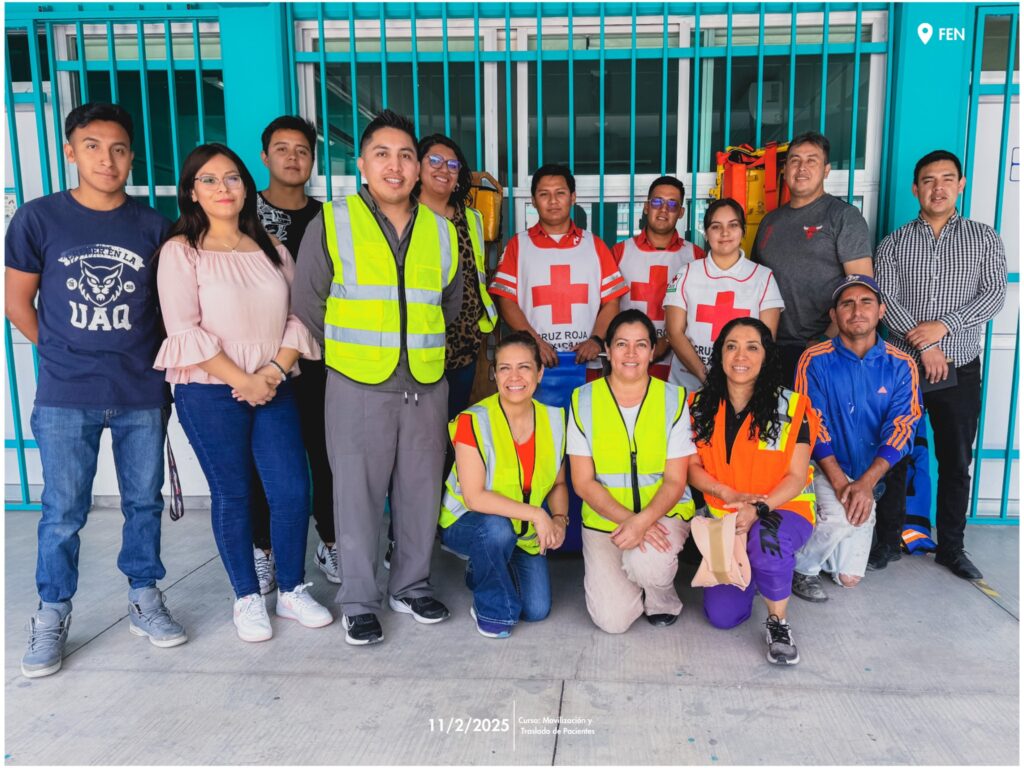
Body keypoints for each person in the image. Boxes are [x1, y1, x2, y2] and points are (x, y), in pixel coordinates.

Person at [6, 102, 187, 678]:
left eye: (118, 148)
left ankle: (145, 598)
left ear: (131, 155)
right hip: (65, 393)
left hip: (140, 390)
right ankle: (53, 613)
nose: (106, 159)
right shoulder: (37, 219)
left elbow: (169, 311)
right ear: (70, 150)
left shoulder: (154, 227)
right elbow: (17, 304)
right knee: (62, 511)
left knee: (143, 503)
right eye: (92, 146)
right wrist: (62, 352)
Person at [291, 109, 461, 645]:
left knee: (419, 489)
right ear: (362, 165)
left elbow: (449, 304)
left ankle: (410, 585)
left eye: (407, 155)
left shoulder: (441, 230)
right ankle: (359, 600)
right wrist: (353, 351)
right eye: (383, 154)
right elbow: (307, 300)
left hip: (426, 380)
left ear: (417, 169)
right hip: (357, 382)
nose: (396, 165)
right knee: (357, 493)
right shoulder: (335, 221)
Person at [155, 143, 332, 643]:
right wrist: (244, 380)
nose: (223, 188)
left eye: (231, 178)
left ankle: (293, 589)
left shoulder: (271, 249)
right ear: (192, 191)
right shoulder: (181, 251)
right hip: (211, 392)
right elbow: (184, 329)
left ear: (246, 186)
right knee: (234, 494)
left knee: (293, 490)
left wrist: (272, 372)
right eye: (208, 180)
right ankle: (247, 597)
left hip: (274, 384)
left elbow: (299, 317)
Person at [874, 150, 1008, 580]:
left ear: (961, 184)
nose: (937, 187)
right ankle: (886, 540)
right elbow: (885, 302)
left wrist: (943, 329)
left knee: (955, 461)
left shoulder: (984, 238)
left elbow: (993, 295)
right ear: (915, 188)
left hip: (960, 367)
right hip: (903, 368)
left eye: (947, 179)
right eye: (928, 180)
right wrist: (922, 342)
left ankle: (952, 547)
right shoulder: (894, 243)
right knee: (892, 456)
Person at [687, 317, 819, 665]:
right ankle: (761, 574)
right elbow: (691, 468)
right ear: (720, 355)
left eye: (752, 347)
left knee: (766, 542)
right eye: (731, 346)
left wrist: (759, 509)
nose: (740, 355)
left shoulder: (791, 407)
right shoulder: (698, 406)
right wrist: (725, 494)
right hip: (725, 518)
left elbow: (795, 476)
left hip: (782, 510)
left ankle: (779, 622)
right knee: (722, 617)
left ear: (766, 356)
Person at [249, 114, 339, 592]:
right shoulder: (242, 213)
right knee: (267, 461)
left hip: (322, 358)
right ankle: (263, 550)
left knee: (325, 455)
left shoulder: (330, 219)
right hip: (264, 363)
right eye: (282, 149)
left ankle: (329, 540)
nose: (292, 157)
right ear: (265, 157)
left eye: (301, 150)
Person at [790, 275, 921, 602]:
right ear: (834, 316)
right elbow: (810, 422)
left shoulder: (902, 364)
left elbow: (903, 426)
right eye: (846, 304)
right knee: (837, 519)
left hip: (870, 475)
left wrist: (864, 484)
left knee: (849, 579)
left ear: (881, 312)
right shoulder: (814, 359)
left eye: (866, 303)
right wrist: (839, 481)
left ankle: (830, 538)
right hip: (824, 469)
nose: (857, 311)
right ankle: (801, 568)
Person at [568, 309, 696, 633]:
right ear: (607, 350)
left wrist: (643, 521)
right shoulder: (582, 399)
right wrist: (629, 520)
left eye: (641, 345)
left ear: (652, 352)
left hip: (663, 513)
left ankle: (661, 596)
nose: (631, 353)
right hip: (605, 520)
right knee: (612, 621)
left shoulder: (675, 398)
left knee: (648, 564)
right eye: (621, 344)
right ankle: (632, 577)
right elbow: (582, 483)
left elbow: (675, 479)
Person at [439, 332, 568, 638]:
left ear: (539, 373)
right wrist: (538, 515)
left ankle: (482, 568)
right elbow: (474, 497)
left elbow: (559, 483)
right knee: (496, 530)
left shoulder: (554, 420)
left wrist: (560, 519)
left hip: (519, 531)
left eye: (524, 367)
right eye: (505, 368)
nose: (514, 377)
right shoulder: (474, 420)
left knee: (537, 610)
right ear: (494, 374)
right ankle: (492, 610)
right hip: (468, 524)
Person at [751, 131, 874, 383]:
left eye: (812, 160)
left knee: (817, 422)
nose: (801, 168)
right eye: (795, 160)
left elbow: (861, 288)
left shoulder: (843, 216)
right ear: (785, 170)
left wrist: (825, 341)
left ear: (826, 170)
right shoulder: (770, 222)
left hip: (824, 349)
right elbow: (754, 283)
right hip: (772, 348)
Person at [489, 164, 628, 377]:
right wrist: (534, 342)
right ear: (534, 201)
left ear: (573, 197)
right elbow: (506, 300)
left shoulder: (595, 245)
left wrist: (596, 340)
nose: (553, 201)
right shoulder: (518, 245)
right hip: (535, 363)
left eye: (560, 193)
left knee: (585, 411)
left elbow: (612, 301)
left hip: (586, 364)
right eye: (544, 194)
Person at [415, 133, 498, 419]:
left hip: (465, 343)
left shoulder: (471, 217)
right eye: (434, 160)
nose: (443, 169)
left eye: (452, 165)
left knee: (455, 424)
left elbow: (477, 272)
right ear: (417, 167)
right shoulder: (405, 216)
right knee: (423, 429)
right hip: (420, 344)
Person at [664, 198, 784, 391]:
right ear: (706, 233)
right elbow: (674, 332)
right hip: (687, 387)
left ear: (743, 231)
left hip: (741, 389)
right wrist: (707, 377)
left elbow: (766, 341)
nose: (725, 233)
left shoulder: (763, 277)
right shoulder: (686, 273)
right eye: (716, 226)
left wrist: (734, 382)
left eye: (733, 225)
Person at [612, 176, 704, 381]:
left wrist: (668, 340)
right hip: (629, 360)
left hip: (679, 364)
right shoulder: (619, 253)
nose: (664, 209)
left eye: (672, 204)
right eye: (657, 202)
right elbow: (608, 307)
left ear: (681, 213)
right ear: (646, 207)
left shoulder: (695, 256)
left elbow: (701, 311)